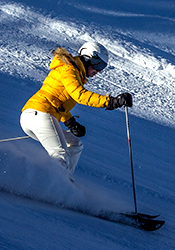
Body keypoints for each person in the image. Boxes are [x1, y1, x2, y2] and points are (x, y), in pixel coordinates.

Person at [20, 42, 132, 182]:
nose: (98, 70)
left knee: (75, 145)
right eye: (97, 64)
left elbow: (57, 102)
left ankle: (66, 183)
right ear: (87, 58)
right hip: (40, 114)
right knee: (60, 154)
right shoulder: (68, 70)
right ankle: (54, 186)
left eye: (102, 67)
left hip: (37, 115)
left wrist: (71, 122)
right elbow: (80, 95)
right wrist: (111, 101)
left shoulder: (73, 73)